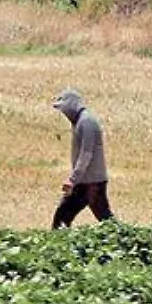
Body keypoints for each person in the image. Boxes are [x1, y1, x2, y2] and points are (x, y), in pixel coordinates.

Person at [51, 89, 114, 228]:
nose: (64, 113)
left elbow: (86, 154)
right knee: (62, 218)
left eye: (65, 109)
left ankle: (126, 242)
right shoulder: (80, 121)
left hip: (92, 183)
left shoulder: (86, 122)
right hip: (83, 182)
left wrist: (72, 179)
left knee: (105, 219)